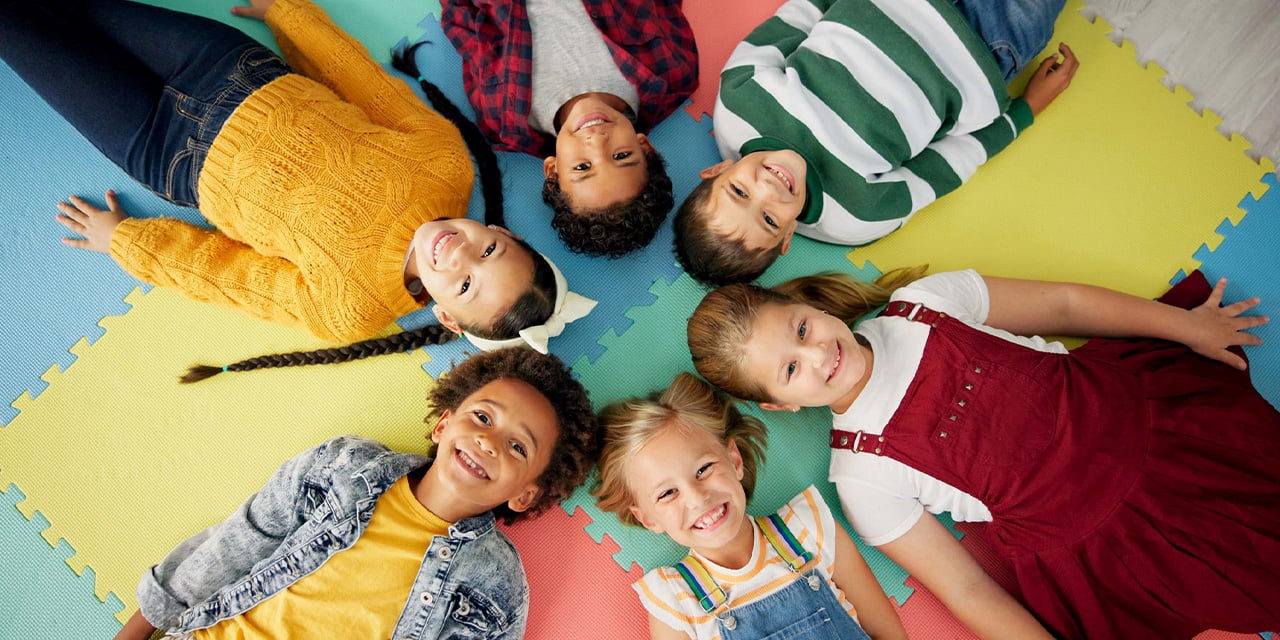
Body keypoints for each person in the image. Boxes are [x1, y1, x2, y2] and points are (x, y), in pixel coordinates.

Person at [0, 0, 595, 381]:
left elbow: (234, 278)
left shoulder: (350, 309)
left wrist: (128, 241)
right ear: (503, 232)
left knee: (22, 28)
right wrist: (291, 15)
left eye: (466, 284)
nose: (459, 254)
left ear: (445, 313)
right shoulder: (445, 164)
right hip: (229, 68)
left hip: (163, 151)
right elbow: (360, 80)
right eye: (489, 251)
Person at [685, 265, 1280, 638]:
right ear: (781, 406)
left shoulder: (927, 303)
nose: (818, 356)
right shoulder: (862, 478)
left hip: (1156, 422)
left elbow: (1066, 304)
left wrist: (1186, 327)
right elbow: (967, 591)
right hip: (1121, 539)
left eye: (802, 329)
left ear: (808, 306)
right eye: (791, 370)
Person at [111, 346, 599, 640]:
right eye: (482, 417)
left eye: (517, 446)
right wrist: (138, 628)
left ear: (526, 495)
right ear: (444, 423)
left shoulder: (498, 585)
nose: (487, 442)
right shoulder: (343, 467)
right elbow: (241, 539)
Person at [673, 0, 1079, 286]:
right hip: (987, 44)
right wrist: (1025, 110)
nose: (769, 190)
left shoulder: (739, 102)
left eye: (739, 191)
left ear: (718, 170)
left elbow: (795, 19)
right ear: (787, 238)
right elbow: (950, 164)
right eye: (769, 219)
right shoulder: (857, 215)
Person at [592, 372, 907, 639]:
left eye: (703, 470)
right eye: (667, 493)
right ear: (647, 518)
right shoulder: (674, 599)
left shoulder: (809, 528)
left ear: (734, 459)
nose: (697, 498)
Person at [439, 0, 699, 258]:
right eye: (621, 156)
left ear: (553, 171)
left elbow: (463, 24)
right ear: (644, 147)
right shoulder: (672, 74)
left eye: (582, 167)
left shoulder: (505, 120)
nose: (597, 141)